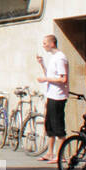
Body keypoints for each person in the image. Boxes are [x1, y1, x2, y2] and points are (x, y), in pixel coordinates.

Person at [36, 34, 69, 162]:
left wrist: (45, 79)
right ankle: (50, 153)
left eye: (45, 43)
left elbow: (63, 79)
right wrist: (42, 64)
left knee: (58, 126)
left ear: (52, 44)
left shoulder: (60, 58)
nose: (43, 45)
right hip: (51, 95)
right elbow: (49, 75)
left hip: (58, 97)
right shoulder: (53, 58)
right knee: (49, 125)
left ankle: (60, 155)